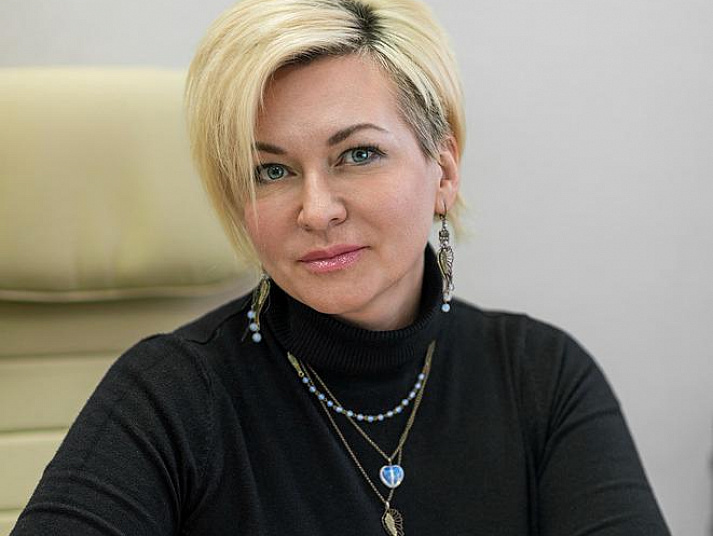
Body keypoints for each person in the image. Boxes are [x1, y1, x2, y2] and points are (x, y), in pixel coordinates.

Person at [12, 0, 670, 534]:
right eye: (271, 171)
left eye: (357, 155)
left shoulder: (541, 379)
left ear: (443, 171)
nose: (316, 210)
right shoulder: (171, 395)